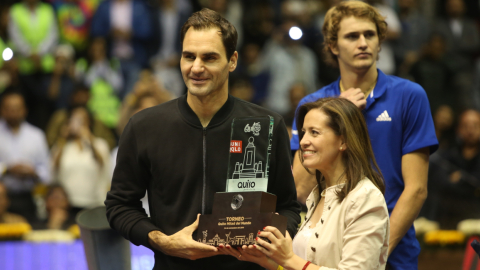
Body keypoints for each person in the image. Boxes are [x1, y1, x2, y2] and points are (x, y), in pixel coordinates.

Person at [105, 8, 301, 270]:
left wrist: (270, 239)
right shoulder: (144, 126)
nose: (196, 68)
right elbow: (119, 206)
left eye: (209, 57)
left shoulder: (266, 125)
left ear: (232, 61)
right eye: (189, 56)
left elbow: (288, 207)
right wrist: (162, 241)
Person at [289, 2, 438, 269]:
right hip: (325, 252)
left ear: (380, 42)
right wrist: (337, 112)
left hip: (396, 252)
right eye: (351, 36)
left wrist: (375, 251)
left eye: (370, 35)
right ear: (333, 46)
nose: (363, 43)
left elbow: (416, 190)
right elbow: (300, 189)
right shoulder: (313, 104)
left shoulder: (410, 96)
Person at [220, 97, 389, 269]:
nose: (303, 141)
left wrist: (287, 259)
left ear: (343, 141)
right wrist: (269, 261)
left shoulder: (365, 197)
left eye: (314, 132)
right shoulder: (318, 195)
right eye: (303, 132)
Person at [0, 91, 51, 223]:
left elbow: (47, 171)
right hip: (2, 197)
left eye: (17, 108)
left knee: (28, 236)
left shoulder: (36, 136)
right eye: (9, 108)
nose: (13, 112)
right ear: (2, 110)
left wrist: (34, 172)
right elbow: (6, 169)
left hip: (28, 196)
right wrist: (7, 170)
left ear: (25, 110)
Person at [51, 106, 110, 217]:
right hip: (67, 204)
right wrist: (63, 138)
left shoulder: (99, 144)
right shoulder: (62, 145)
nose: (78, 124)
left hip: (94, 203)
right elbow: (53, 169)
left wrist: (89, 139)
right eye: (75, 119)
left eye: (82, 120)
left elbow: (103, 165)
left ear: (89, 122)